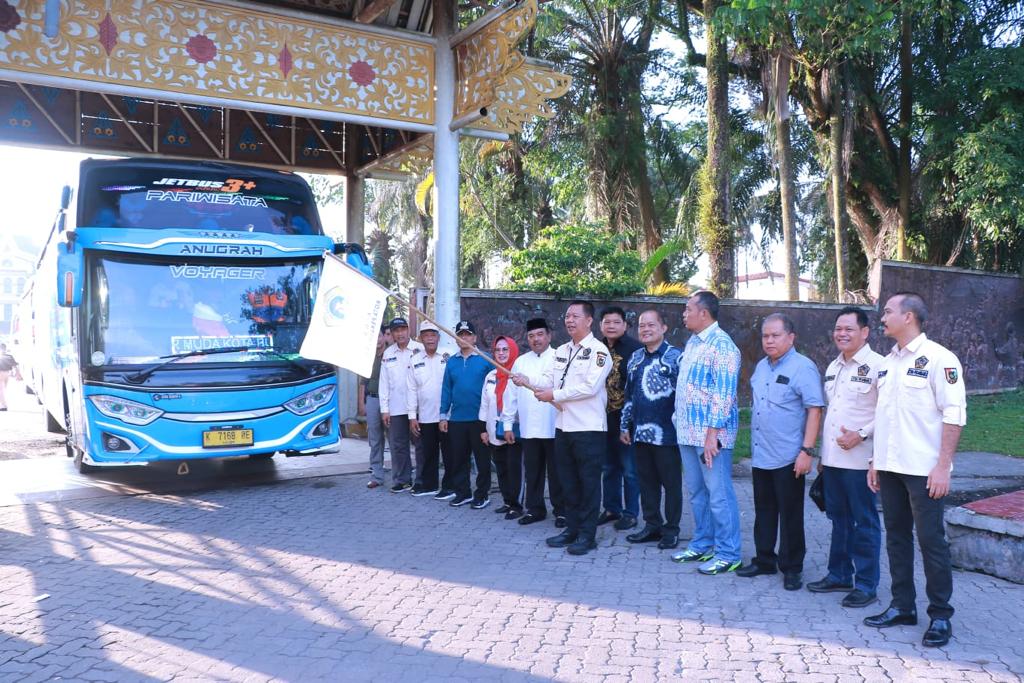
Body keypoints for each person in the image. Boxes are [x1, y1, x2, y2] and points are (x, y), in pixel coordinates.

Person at [864, 292, 966, 648]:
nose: (882, 317)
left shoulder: (940, 359)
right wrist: (875, 461)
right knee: (896, 538)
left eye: (888, 311)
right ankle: (902, 606)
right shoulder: (887, 363)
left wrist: (943, 466)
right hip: (890, 467)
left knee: (931, 541)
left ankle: (940, 615)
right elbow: (884, 416)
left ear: (908, 317)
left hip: (924, 470)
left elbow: (954, 415)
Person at [737, 313, 824, 591]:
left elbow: (814, 410)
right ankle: (764, 559)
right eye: (765, 336)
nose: (769, 341)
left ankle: (792, 567)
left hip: (789, 456)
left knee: (790, 514)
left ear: (791, 337)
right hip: (762, 453)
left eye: (775, 335)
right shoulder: (762, 366)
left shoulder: (803, 368)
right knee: (763, 510)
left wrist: (807, 451)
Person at [809, 306, 883, 608]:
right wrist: (822, 456)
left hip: (861, 462)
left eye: (849, 329)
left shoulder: (879, 366)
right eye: (838, 328)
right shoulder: (833, 365)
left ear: (865, 332)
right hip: (833, 461)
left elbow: (888, 412)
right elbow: (833, 413)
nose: (842, 334)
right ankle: (839, 574)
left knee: (864, 523)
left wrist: (861, 434)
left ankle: (866, 585)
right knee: (838, 520)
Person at [671, 291, 744, 575]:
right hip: (687, 432)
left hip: (710, 437)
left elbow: (724, 395)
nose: (684, 314)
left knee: (719, 494)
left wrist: (712, 434)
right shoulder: (693, 342)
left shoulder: (722, 345)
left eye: (688, 309)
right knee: (697, 492)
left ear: (704, 313)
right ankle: (703, 543)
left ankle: (728, 553)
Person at [534, 301, 613, 556]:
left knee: (588, 484)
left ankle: (587, 536)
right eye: (567, 316)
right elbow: (547, 380)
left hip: (589, 429)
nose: (569, 320)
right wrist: (525, 380)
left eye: (575, 316)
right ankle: (571, 529)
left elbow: (590, 387)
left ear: (589, 321)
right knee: (567, 482)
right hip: (563, 426)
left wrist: (554, 394)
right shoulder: (561, 351)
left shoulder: (599, 351)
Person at [619, 310, 683, 550]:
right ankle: (652, 525)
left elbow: (684, 397)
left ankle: (672, 530)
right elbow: (629, 394)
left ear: (663, 328)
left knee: (671, 485)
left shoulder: (676, 357)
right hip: (640, 433)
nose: (645, 329)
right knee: (646, 483)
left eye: (651, 325)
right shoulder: (635, 358)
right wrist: (624, 425)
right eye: (642, 325)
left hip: (668, 435)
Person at [507, 318, 565, 527]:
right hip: (529, 427)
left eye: (540, 334)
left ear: (549, 335)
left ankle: (562, 511)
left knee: (557, 472)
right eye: (531, 336)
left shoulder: (560, 357)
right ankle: (535, 509)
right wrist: (507, 424)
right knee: (533, 472)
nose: (536, 339)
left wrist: (529, 381)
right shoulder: (520, 362)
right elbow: (510, 395)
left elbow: (556, 385)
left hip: (554, 426)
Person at [440, 321, 493, 508]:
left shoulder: (486, 360)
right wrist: (443, 415)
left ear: (475, 337)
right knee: (459, 459)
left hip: (479, 420)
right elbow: (446, 389)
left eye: (468, 334)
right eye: (460, 334)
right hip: (457, 419)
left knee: (482, 460)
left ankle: (482, 494)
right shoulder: (451, 362)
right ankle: (463, 493)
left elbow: (494, 388)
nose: (464, 338)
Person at [598, 306, 642, 531]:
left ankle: (631, 513)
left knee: (629, 469)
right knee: (608, 466)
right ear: (600, 325)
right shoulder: (597, 348)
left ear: (625, 325)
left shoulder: (635, 349)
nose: (611, 326)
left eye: (616, 322)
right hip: (602, 417)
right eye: (607, 322)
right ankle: (611, 508)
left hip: (627, 418)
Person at [379, 317, 424, 493]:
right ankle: (403, 480)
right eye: (396, 331)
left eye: (403, 329)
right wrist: (385, 410)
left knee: (420, 445)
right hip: (396, 407)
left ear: (408, 330)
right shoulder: (388, 354)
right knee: (399, 446)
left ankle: (422, 480)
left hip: (418, 408)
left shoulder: (420, 349)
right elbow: (384, 383)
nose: (400, 334)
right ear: (392, 334)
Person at [480, 336, 523, 519]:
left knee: (514, 469)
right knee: (501, 467)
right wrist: (483, 429)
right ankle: (507, 501)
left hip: (513, 429)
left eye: (505, 349)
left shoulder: (519, 376)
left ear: (513, 351)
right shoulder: (491, 376)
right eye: (498, 350)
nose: (501, 353)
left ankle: (517, 505)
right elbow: (484, 403)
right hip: (494, 429)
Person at [407, 321, 449, 497]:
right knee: (429, 453)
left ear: (438, 337)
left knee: (449, 453)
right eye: (426, 335)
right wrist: (412, 416)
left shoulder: (448, 356)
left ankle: (449, 487)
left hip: (447, 416)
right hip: (425, 415)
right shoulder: (415, 360)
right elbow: (411, 389)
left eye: (433, 335)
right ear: (420, 338)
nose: (430, 339)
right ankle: (430, 485)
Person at [358, 325, 392, 489]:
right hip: (372, 399)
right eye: (374, 337)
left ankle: (400, 476)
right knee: (375, 439)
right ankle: (377, 475)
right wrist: (361, 403)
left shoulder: (392, 354)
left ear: (384, 337)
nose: (377, 340)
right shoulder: (368, 357)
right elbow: (362, 383)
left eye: (379, 336)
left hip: (390, 401)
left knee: (393, 438)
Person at [0, 343, 17, 412]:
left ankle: (4, 406)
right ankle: (3, 404)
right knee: (3, 389)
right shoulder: (9, 356)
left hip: (1, 373)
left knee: (1, 390)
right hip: (7, 373)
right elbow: (14, 365)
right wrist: (17, 373)